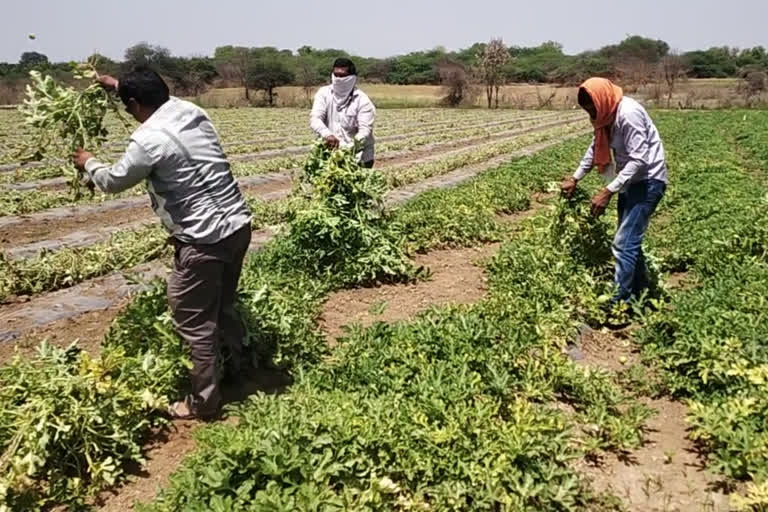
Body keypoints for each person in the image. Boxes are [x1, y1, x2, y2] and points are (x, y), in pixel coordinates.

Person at [72, 67, 253, 420]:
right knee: (223, 306)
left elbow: (112, 181)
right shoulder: (191, 111)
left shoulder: (148, 140)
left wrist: (88, 162)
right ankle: (238, 370)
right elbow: (150, 98)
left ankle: (204, 404)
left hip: (204, 240)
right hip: (237, 226)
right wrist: (115, 85)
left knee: (194, 321)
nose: (127, 110)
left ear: (136, 103)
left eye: (128, 104)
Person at [561, 77, 668, 305]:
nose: (591, 113)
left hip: (648, 181)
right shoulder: (605, 117)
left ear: (602, 99)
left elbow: (639, 159)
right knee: (629, 242)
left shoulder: (628, 114)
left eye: (592, 107)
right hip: (630, 182)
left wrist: (607, 191)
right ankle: (640, 294)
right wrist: (575, 178)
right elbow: (594, 149)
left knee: (623, 242)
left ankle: (619, 303)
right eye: (587, 109)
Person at [310, 58, 376, 167]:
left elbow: (365, 131)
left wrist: (347, 150)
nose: (338, 79)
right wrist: (327, 135)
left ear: (352, 78)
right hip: (329, 155)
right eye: (336, 75)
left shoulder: (362, 100)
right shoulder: (324, 94)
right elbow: (315, 119)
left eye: (342, 76)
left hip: (358, 157)